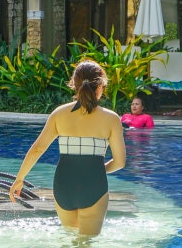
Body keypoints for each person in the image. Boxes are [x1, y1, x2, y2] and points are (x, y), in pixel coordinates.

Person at [9, 60, 126, 238]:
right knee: (86, 245)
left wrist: (19, 179)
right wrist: (96, 171)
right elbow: (120, 162)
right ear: (101, 86)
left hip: (63, 185)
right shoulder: (111, 119)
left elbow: (37, 149)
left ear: (75, 85)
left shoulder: (59, 114)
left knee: (69, 241)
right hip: (93, 185)